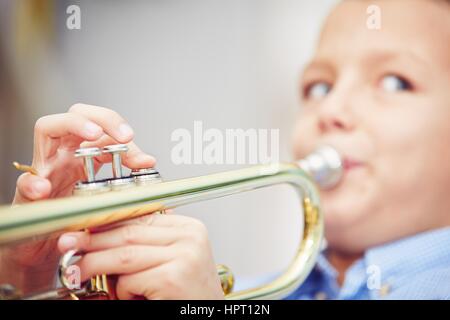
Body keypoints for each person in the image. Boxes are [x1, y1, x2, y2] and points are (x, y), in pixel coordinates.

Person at [1, 0, 450, 299]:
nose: (332, 107)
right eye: (318, 85)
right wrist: (30, 278)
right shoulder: (247, 292)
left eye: (395, 82)